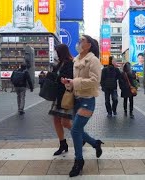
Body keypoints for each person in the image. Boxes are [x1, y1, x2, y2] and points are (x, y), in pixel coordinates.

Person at [62, 35, 104, 177]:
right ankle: (95, 143)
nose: (78, 43)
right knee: (78, 129)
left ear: (88, 45)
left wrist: (75, 82)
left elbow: (95, 81)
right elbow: (77, 81)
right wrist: (69, 83)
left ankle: (79, 161)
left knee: (75, 130)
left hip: (88, 100)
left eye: (81, 41)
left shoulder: (93, 60)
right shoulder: (76, 60)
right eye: (79, 40)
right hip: (76, 99)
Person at [47, 44, 74, 156]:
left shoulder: (70, 64)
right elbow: (56, 77)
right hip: (57, 95)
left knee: (65, 122)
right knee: (56, 120)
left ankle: (81, 135)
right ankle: (62, 143)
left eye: (57, 52)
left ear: (61, 52)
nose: (55, 54)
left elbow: (67, 78)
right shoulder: (59, 64)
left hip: (66, 96)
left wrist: (56, 77)